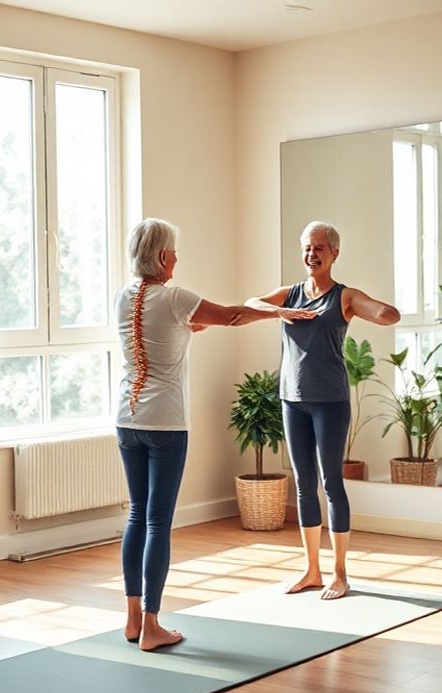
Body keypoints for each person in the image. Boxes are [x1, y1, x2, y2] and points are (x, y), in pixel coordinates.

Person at [117, 218, 317, 650]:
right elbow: (231, 316)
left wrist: (190, 326)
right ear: (164, 256)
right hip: (165, 424)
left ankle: (133, 620)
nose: (177, 258)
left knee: (137, 515)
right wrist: (278, 311)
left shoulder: (125, 296)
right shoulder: (175, 297)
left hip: (126, 422)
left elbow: (161, 332)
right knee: (157, 522)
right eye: (174, 251)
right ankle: (152, 626)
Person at [246, 221, 400, 600]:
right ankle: (311, 570)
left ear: (334, 253)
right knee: (303, 485)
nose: (311, 255)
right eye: (306, 248)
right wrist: (279, 313)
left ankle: (340, 572)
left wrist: (379, 312)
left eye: (319, 248)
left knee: (331, 483)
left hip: (330, 401)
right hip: (292, 399)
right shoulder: (291, 294)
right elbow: (251, 303)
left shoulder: (344, 297)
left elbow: (387, 313)